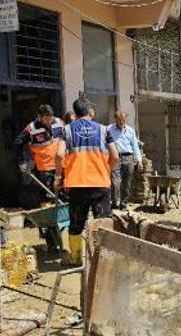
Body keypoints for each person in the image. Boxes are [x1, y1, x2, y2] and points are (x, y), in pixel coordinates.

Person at [55, 98, 118, 266]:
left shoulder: (67, 130)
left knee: (76, 224)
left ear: (75, 113)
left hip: (77, 185)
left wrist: (59, 177)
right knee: (102, 223)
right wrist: (106, 170)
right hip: (100, 183)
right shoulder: (104, 129)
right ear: (90, 111)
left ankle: (75, 259)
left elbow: (59, 155)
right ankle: (103, 261)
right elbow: (115, 156)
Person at [15, 104, 64, 196]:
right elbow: (18, 142)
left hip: (61, 166)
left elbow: (66, 139)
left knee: (63, 194)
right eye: (46, 119)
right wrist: (22, 162)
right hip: (45, 168)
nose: (49, 122)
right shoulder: (31, 128)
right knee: (49, 195)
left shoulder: (59, 122)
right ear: (39, 117)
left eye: (50, 118)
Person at [108, 111, 143, 210]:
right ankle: (114, 202)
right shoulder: (109, 129)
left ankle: (123, 204)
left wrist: (139, 161)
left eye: (123, 121)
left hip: (128, 157)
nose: (121, 123)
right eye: (119, 121)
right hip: (115, 157)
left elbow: (135, 146)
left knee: (127, 183)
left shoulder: (130, 130)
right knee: (115, 181)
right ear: (116, 119)